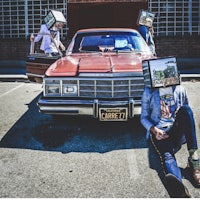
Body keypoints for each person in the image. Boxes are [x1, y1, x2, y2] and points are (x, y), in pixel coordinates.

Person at [140, 77, 200, 197]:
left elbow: (186, 116)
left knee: (187, 110)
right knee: (167, 156)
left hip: (175, 129)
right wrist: (154, 130)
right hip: (159, 132)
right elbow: (143, 118)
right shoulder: (149, 91)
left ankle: (194, 162)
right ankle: (180, 188)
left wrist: (179, 113)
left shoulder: (180, 89)